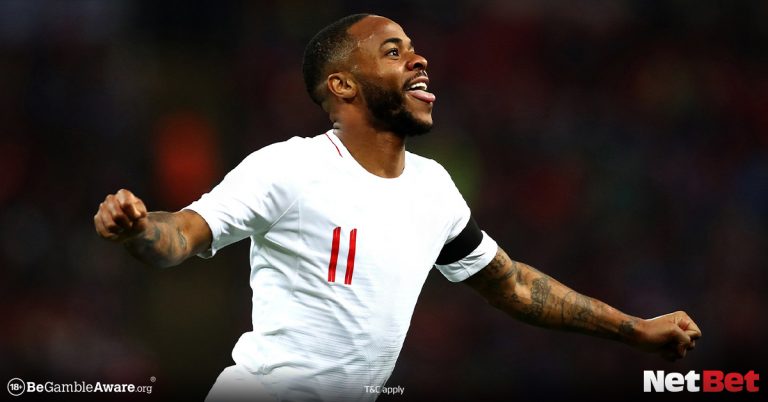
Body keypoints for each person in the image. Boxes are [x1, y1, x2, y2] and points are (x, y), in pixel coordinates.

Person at [93, 13, 701, 402]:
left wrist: (633, 329)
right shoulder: (290, 167)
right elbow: (181, 236)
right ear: (343, 85)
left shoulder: (433, 188)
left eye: (414, 48)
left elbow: (512, 285)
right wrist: (139, 230)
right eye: (393, 51)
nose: (418, 59)